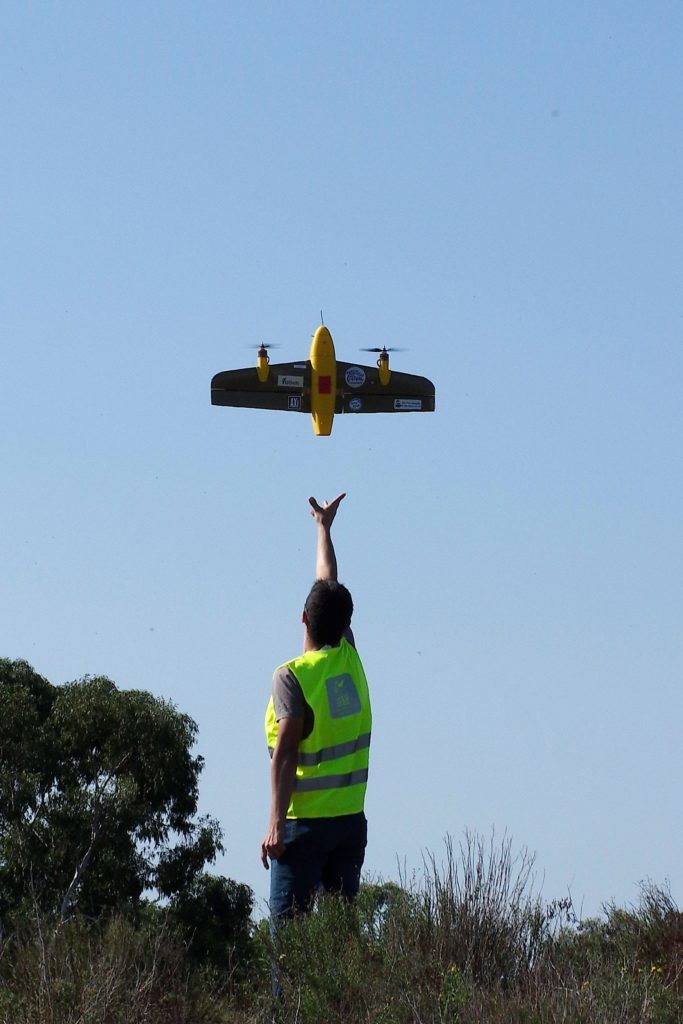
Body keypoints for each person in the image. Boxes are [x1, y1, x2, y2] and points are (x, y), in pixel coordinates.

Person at [261, 492, 371, 921]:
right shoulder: (348, 657)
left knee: (289, 949)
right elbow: (328, 583)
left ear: (303, 619)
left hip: (303, 827)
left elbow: (286, 753)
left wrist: (274, 823)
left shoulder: (290, 677)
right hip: (349, 824)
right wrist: (323, 530)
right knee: (338, 947)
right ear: (345, 626)